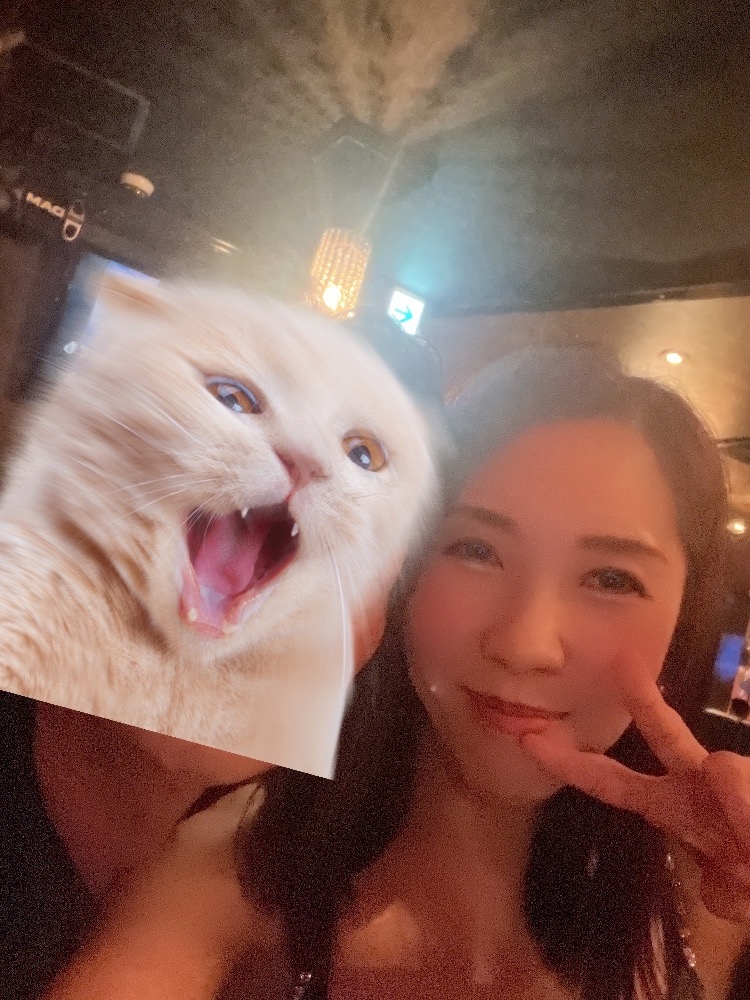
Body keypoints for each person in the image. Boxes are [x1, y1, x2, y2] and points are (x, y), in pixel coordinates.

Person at [43, 346, 750, 1000]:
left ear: (686, 617)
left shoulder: (708, 893)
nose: (525, 645)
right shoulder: (235, 883)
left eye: (611, 578)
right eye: (475, 549)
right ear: (401, 569)